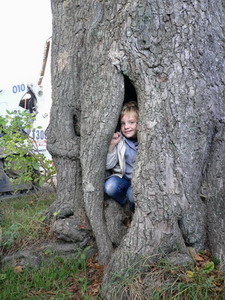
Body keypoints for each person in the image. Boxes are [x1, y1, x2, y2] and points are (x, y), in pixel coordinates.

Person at [104, 101, 138, 212]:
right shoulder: (121, 140)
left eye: (131, 122)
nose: (126, 127)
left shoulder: (145, 141)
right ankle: (126, 205)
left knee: (132, 195)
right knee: (110, 186)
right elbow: (109, 165)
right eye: (123, 123)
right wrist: (112, 145)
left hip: (140, 181)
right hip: (124, 180)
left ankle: (134, 211)